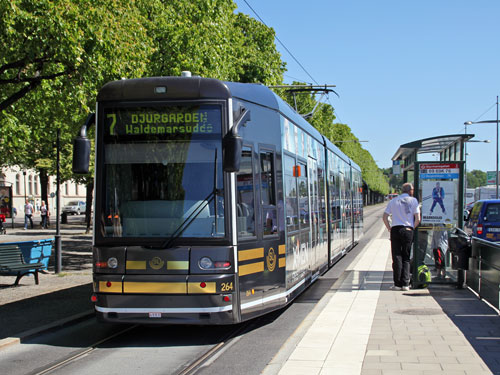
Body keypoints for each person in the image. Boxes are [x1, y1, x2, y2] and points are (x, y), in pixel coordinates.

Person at [382, 183, 421, 291]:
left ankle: (397, 284)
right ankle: (405, 284)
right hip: (408, 229)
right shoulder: (413, 201)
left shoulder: (393, 201)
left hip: (395, 229)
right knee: (406, 257)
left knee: (397, 256)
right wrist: (412, 228)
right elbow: (418, 218)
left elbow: (385, 217)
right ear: (410, 191)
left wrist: (389, 228)